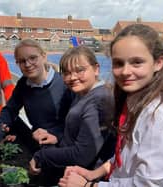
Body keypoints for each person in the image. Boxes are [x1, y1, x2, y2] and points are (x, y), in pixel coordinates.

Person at [59, 24, 163, 187]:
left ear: (158, 62)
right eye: (119, 63)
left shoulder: (158, 114)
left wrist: (88, 185)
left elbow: (149, 184)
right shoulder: (133, 100)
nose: (126, 71)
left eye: (137, 62)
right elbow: (125, 155)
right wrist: (94, 173)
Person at [29, 46, 115, 186]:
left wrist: (41, 157)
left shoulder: (100, 100)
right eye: (67, 73)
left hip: (85, 179)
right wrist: (57, 138)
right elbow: (78, 134)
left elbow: (82, 155)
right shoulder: (81, 94)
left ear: (96, 69)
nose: (73, 77)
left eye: (80, 70)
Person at [0, 39, 74, 151]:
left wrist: (54, 134)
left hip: (63, 145)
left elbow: (75, 122)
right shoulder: (23, 83)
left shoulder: (64, 83)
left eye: (32, 58)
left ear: (43, 56)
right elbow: (10, 110)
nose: (28, 64)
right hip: (38, 144)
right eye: (22, 61)